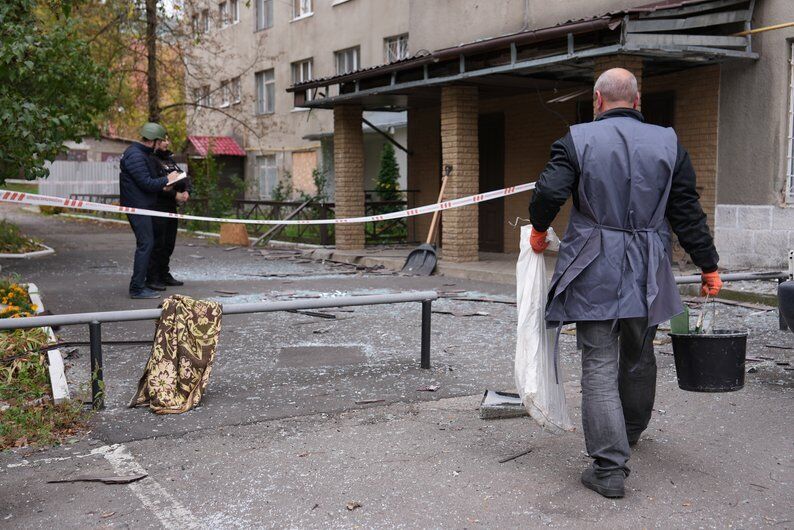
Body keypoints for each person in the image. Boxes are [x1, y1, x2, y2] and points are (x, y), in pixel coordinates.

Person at [528, 68, 723, 499]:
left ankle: (609, 467)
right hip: (649, 267)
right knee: (637, 356)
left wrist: (538, 230)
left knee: (598, 361)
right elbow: (687, 213)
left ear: (598, 100)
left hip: (593, 265)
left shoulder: (576, 140)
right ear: (638, 101)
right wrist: (709, 266)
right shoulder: (670, 143)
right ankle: (629, 433)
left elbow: (548, 193)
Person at [119, 122, 181, 299]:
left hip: (143, 206)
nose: (161, 145)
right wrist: (166, 180)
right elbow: (146, 183)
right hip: (138, 207)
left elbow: (146, 182)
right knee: (146, 244)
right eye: (159, 141)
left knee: (148, 244)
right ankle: (137, 288)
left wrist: (164, 185)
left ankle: (141, 284)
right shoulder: (136, 155)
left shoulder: (140, 154)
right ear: (153, 141)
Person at [146, 138, 190, 291]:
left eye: (167, 139)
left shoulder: (170, 160)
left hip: (171, 209)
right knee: (158, 243)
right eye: (163, 140)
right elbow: (156, 185)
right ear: (155, 142)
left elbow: (183, 178)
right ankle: (152, 277)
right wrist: (174, 195)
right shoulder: (151, 160)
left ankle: (164, 274)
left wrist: (186, 191)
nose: (167, 142)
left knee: (169, 244)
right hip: (158, 208)